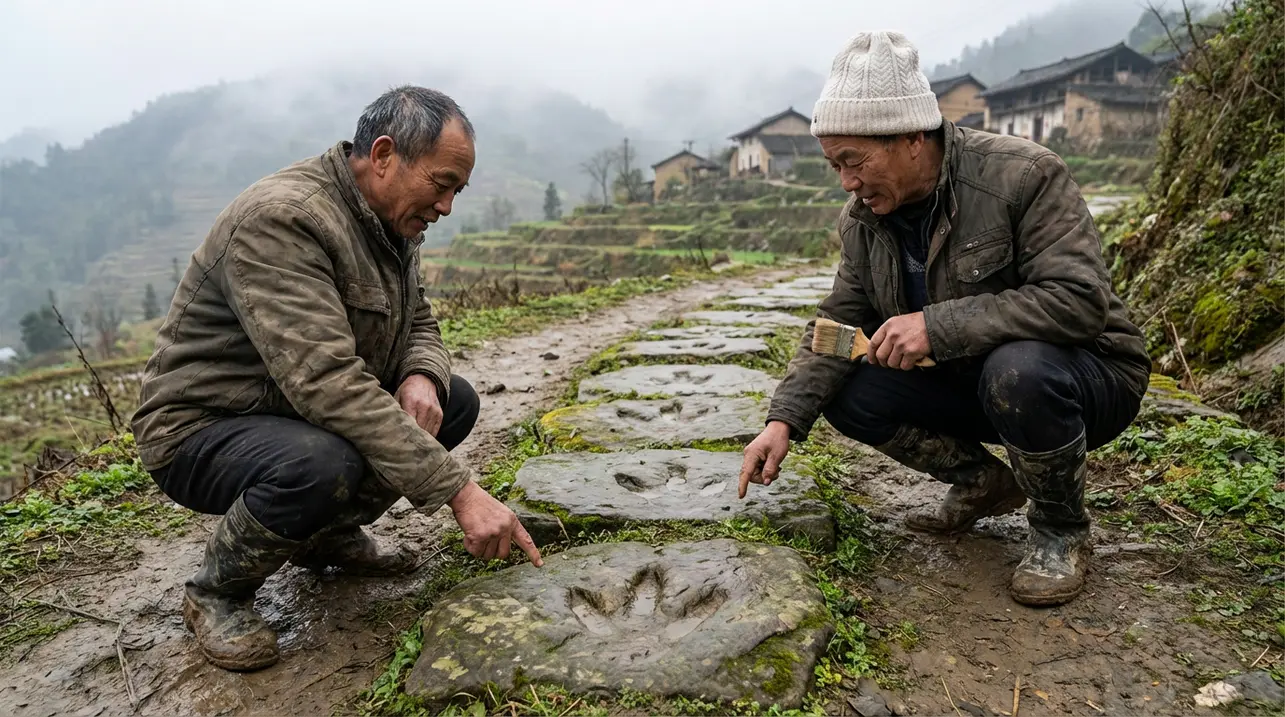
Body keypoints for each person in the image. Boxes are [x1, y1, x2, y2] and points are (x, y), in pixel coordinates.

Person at [132, 86, 542, 672]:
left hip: (294, 410)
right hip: (203, 427)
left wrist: (422, 375)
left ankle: (324, 537)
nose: (447, 206)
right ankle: (216, 592)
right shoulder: (282, 220)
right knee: (321, 464)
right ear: (382, 156)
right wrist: (460, 491)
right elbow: (325, 382)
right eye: (442, 182)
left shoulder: (391, 221)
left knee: (453, 404)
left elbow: (419, 318)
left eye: (457, 190)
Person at [738, 32, 1151, 607]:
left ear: (912, 136)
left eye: (853, 161)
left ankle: (1060, 527)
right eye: (834, 165)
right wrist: (782, 421)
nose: (847, 183)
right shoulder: (862, 221)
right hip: (972, 381)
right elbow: (836, 324)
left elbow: (1078, 301)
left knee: (1018, 370)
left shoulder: (1023, 177)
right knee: (850, 387)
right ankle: (982, 481)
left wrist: (936, 326)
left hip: (1083, 378)